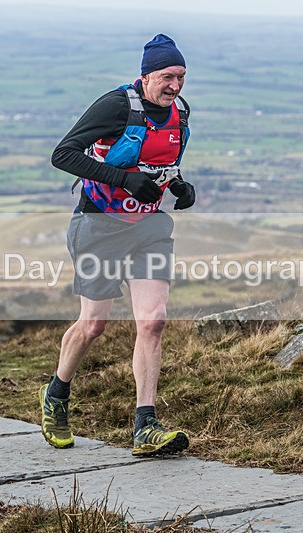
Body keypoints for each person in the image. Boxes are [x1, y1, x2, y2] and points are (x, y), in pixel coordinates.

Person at [39, 34, 196, 457]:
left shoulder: (180, 112)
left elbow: (163, 163)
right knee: (94, 325)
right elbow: (63, 155)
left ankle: (146, 426)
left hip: (148, 229)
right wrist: (123, 179)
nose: (175, 85)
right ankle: (56, 394)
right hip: (99, 225)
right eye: (167, 77)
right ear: (146, 76)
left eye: (181, 77)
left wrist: (180, 186)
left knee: (153, 321)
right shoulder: (115, 106)